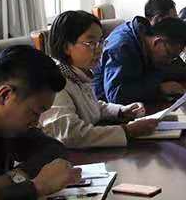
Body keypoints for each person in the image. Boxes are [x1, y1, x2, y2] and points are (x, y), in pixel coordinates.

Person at [40, 11, 159, 148]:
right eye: (91, 43)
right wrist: (127, 131)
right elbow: (70, 134)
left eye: (101, 41)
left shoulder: (79, 73)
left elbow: (91, 107)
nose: (99, 49)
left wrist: (121, 111)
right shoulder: (55, 83)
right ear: (66, 47)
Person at [0, 46, 81, 200]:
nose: (37, 122)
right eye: (35, 112)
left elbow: (53, 149)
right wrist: (37, 186)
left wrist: (15, 177)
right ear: (5, 95)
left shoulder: (9, 125)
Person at [93, 16, 186, 105]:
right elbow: (115, 95)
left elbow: (169, 68)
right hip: (106, 110)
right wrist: (159, 88)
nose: (169, 61)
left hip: (136, 104)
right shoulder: (122, 47)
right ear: (157, 42)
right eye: (169, 55)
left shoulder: (147, 38)